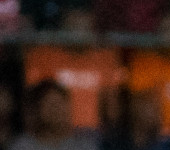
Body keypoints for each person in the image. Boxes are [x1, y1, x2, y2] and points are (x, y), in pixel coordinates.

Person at [22, 7, 125, 135]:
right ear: (64, 24)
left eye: (83, 22)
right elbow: (31, 105)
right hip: (50, 133)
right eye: (74, 24)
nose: (79, 30)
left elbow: (112, 111)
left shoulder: (106, 57)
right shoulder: (42, 56)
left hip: (92, 134)